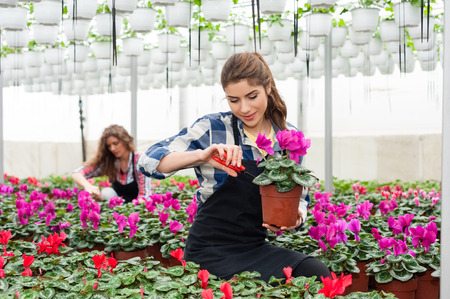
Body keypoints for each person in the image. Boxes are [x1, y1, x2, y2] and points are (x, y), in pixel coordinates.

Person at [138, 52, 330, 282]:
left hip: (255, 247)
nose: (244, 108)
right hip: (208, 251)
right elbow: (148, 161)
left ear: (267, 87)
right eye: (234, 100)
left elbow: (300, 198)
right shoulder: (213, 128)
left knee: (315, 272)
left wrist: (296, 218)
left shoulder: (288, 138)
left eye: (252, 96)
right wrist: (201, 155)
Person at [73, 124, 152, 203]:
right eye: (109, 146)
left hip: (136, 208)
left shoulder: (140, 160)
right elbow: (77, 173)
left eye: (115, 143)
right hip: (116, 209)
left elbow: (145, 196)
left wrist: (131, 211)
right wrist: (88, 186)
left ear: (125, 140)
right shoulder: (110, 161)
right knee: (106, 192)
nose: (112, 149)